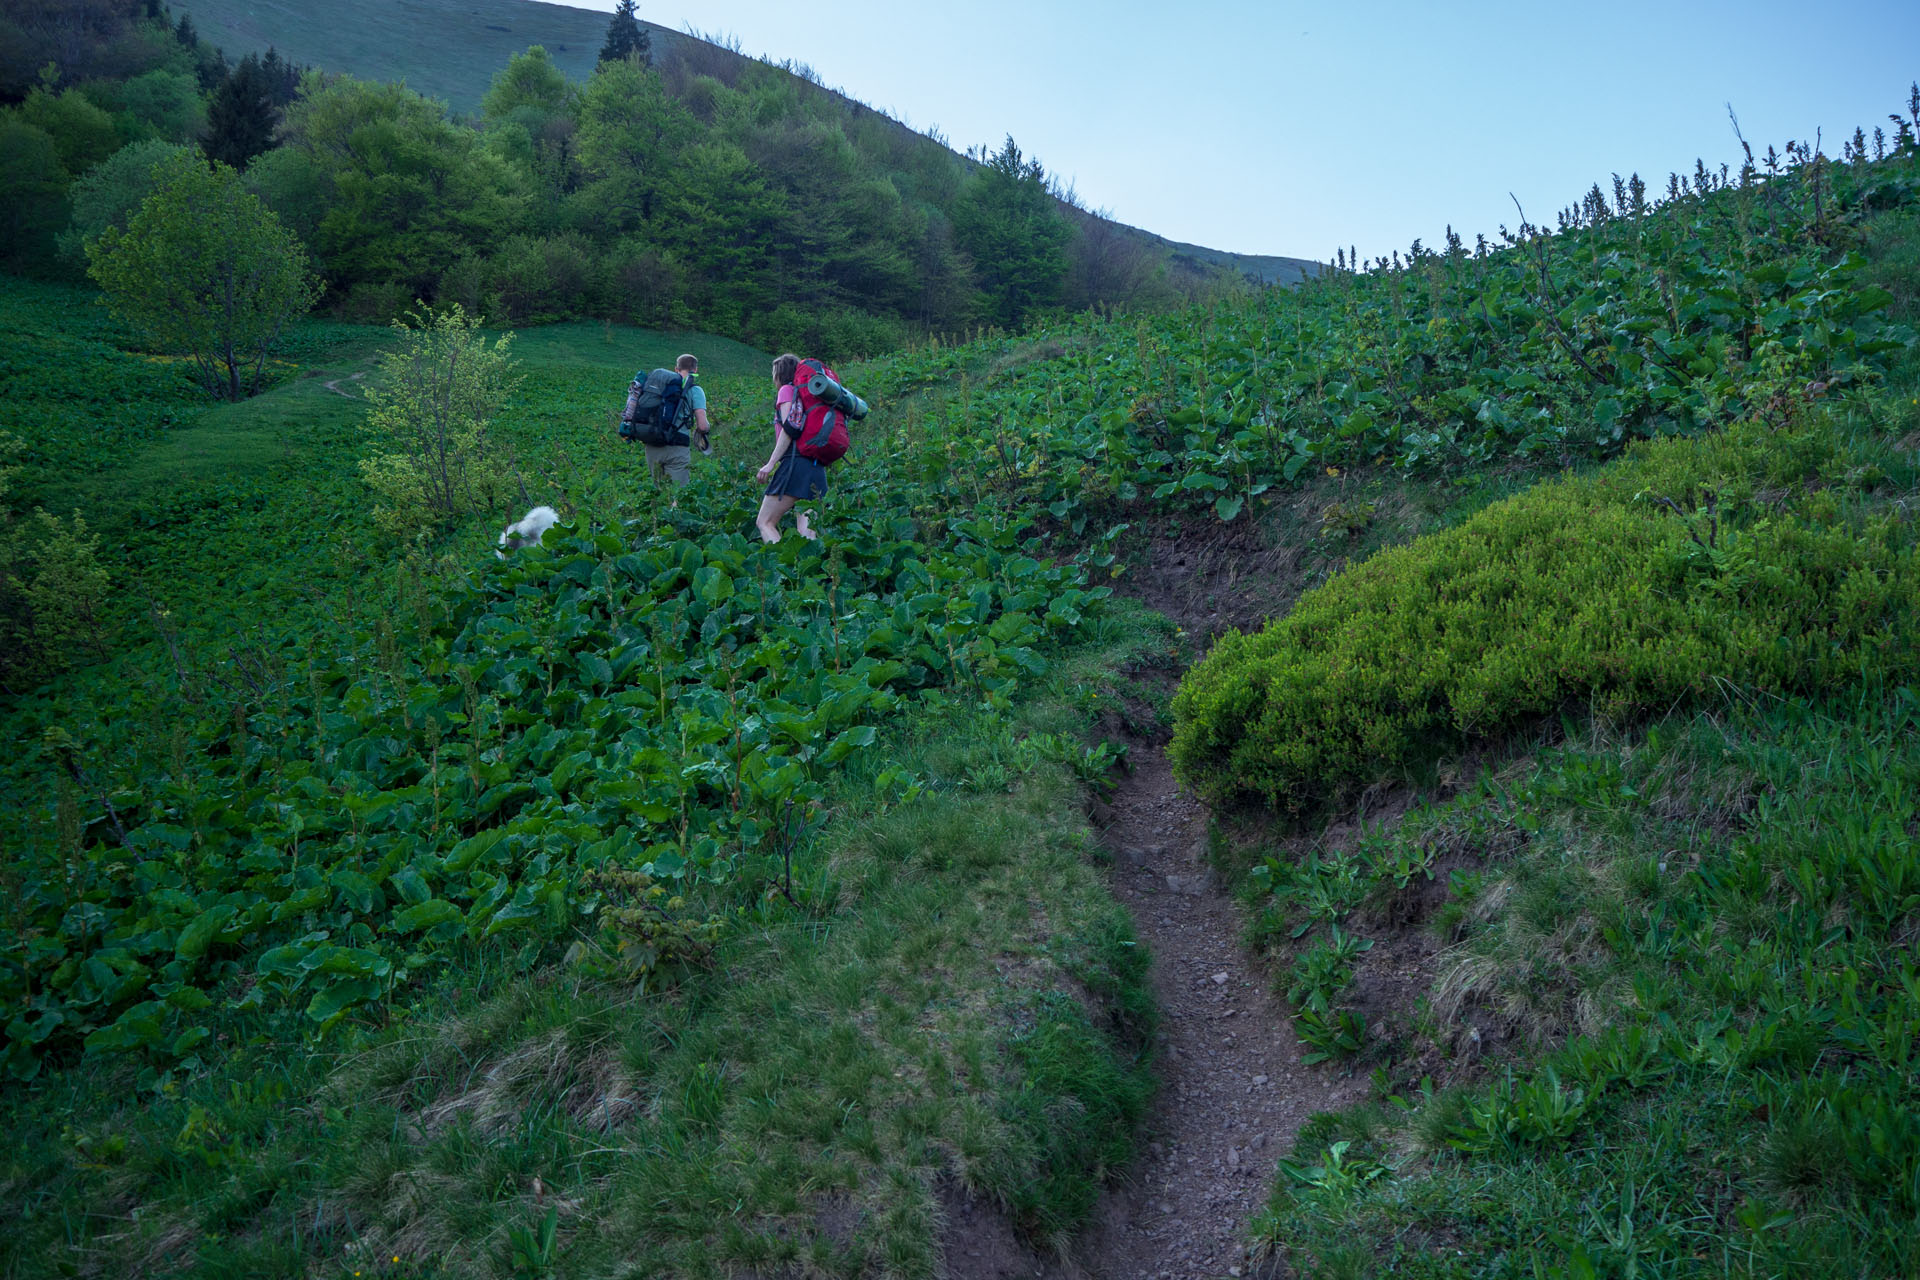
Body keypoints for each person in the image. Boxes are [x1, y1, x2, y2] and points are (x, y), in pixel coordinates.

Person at [755, 352, 824, 542]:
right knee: (807, 531)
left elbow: (789, 428)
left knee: (765, 522)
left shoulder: (786, 391)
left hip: (795, 464)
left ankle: (784, 568)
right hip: (816, 465)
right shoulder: (808, 395)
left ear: (779, 374)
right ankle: (811, 569)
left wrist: (770, 464)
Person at [628, 353, 712, 491]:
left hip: (652, 444)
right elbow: (702, 425)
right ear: (695, 370)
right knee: (677, 495)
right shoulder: (695, 390)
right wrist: (706, 429)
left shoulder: (660, 385)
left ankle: (660, 513)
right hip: (677, 448)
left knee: (661, 493)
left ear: (676, 369)